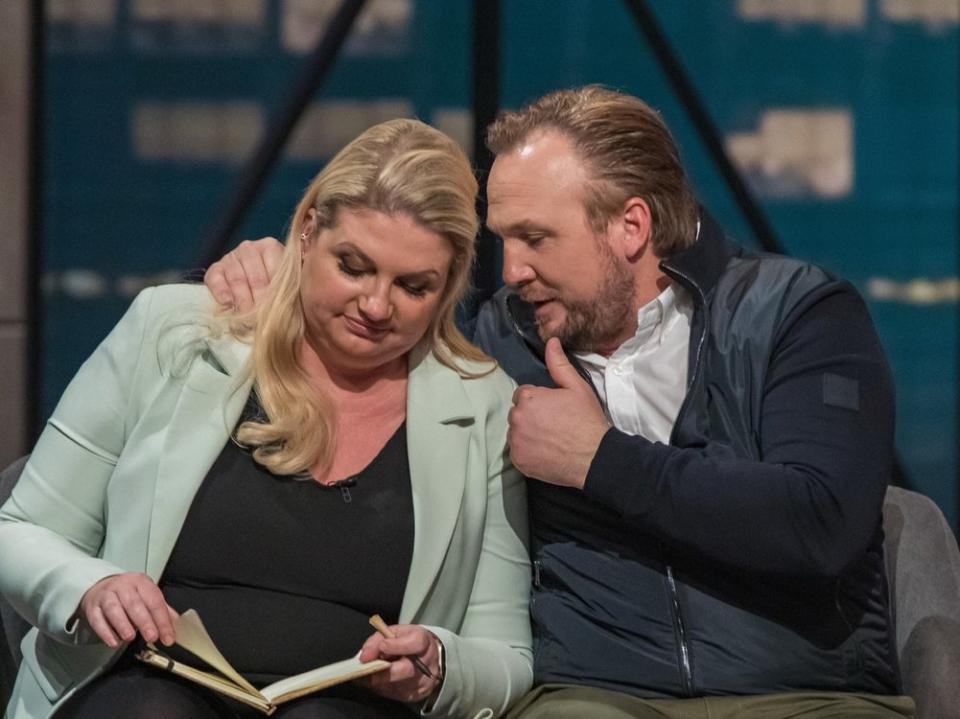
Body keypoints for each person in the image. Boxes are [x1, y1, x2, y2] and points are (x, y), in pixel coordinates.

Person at [204, 87, 913, 718]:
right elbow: (367, 322)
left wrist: (600, 459)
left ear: (630, 227)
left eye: (536, 238)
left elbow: (821, 521)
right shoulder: (495, 343)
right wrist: (277, 269)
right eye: (504, 240)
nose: (512, 270)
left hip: (807, 692)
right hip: (594, 693)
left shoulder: (797, 315)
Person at [0, 118, 532, 719]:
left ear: (449, 285)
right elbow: (18, 531)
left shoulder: (482, 405)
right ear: (308, 232)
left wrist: (441, 664)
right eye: (353, 267)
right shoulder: (175, 330)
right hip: (144, 685)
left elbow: (506, 654)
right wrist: (89, 587)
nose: (377, 306)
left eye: (413, 286)